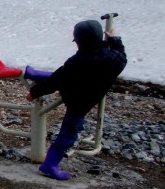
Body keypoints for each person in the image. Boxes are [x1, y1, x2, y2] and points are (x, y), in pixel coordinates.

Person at [26, 19, 127, 180]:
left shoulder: (77, 61)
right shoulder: (111, 59)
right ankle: (49, 165)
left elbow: (57, 79)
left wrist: (36, 91)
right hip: (82, 100)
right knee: (69, 134)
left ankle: (32, 74)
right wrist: (114, 40)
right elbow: (122, 56)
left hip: (75, 98)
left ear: (79, 42)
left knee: (69, 130)